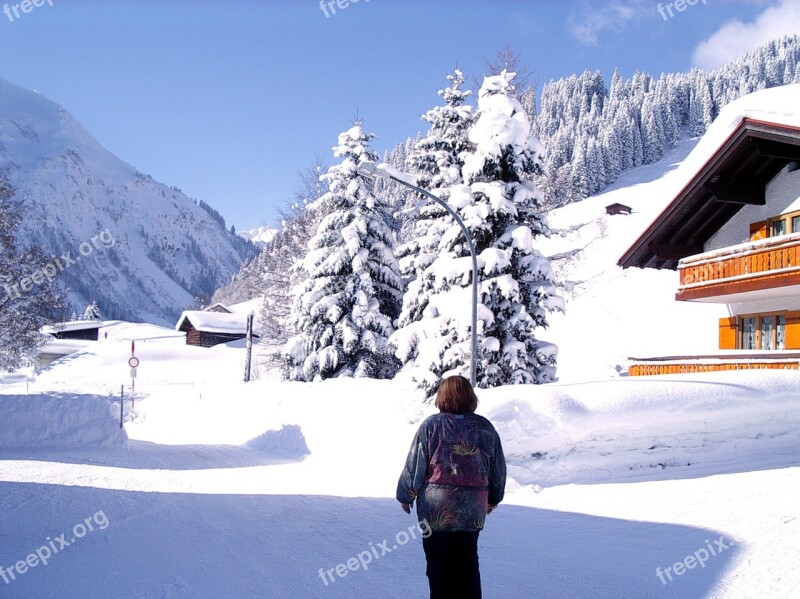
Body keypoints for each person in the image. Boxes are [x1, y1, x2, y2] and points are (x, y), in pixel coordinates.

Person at [397, 375, 506, 599]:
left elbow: (415, 463)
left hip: (435, 512)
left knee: (438, 567)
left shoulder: (431, 426)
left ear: (441, 397)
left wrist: (406, 494)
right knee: (467, 565)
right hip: (471, 511)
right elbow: (497, 468)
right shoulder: (485, 428)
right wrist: (494, 497)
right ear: (470, 397)